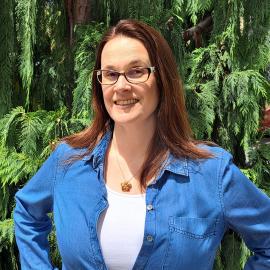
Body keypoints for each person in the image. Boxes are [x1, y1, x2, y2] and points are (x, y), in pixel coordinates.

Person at [14, 19, 270, 270]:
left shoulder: (211, 173)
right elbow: (27, 211)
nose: (121, 86)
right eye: (110, 74)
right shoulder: (68, 161)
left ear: (162, 80)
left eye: (136, 71)